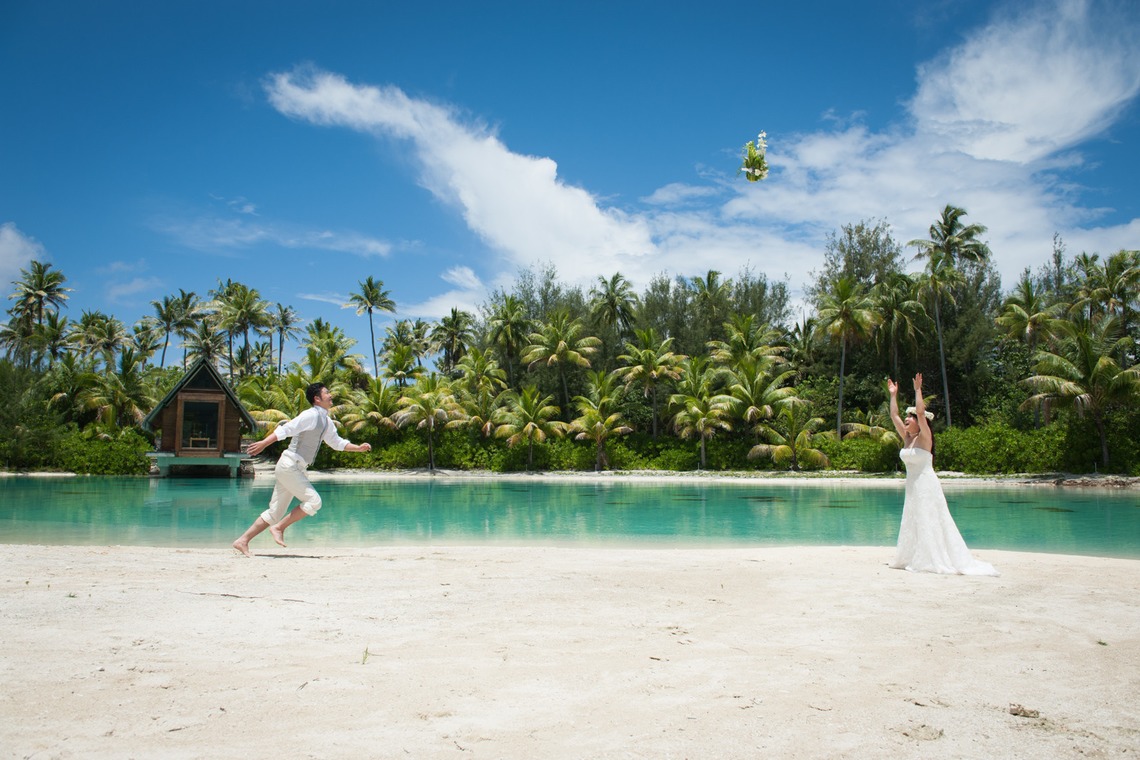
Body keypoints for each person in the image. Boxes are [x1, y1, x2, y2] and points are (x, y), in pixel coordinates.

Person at [232, 382, 371, 557]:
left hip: (294, 468)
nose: (331, 395)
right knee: (314, 502)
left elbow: (337, 443)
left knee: (275, 512)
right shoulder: (311, 415)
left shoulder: (326, 421)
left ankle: (242, 541)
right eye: (327, 392)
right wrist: (264, 443)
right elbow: (287, 429)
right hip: (290, 465)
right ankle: (279, 528)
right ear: (317, 399)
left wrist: (357, 448)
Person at [887, 373, 998, 576]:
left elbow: (921, 412)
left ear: (919, 423)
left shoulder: (925, 438)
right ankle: (912, 556)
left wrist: (917, 390)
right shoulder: (907, 438)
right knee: (914, 519)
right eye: (907, 418)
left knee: (930, 519)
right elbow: (893, 416)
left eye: (909, 418)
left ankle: (933, 558)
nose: (905, 419)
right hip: (912, 487)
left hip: (927, 485)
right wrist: (893, 395)